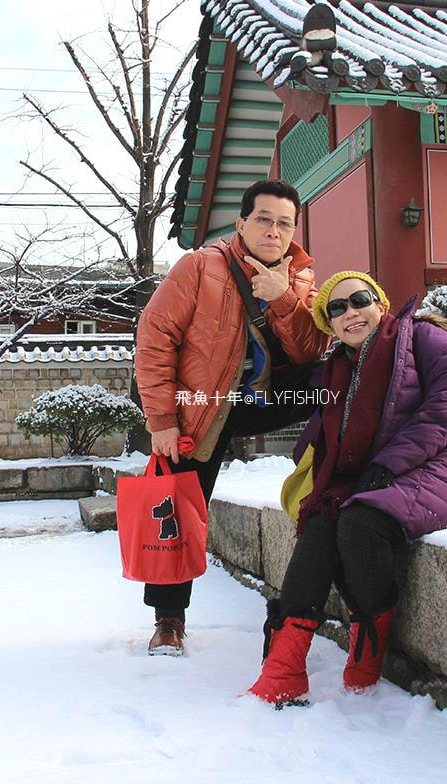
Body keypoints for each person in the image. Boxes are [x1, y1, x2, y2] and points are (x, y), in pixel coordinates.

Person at [246, 271, 447, 704]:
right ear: (329, 324)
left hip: (437, 468)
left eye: (359, 300)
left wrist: (389, 465)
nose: (350, 313)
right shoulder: (335, 370)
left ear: (380, 303)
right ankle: (282, 671)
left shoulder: (424, 339)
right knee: (319, 525)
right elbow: (321, 429)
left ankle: (366, 658)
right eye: (337, 309)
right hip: (371, 477)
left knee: (358, 524)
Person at [134, 179, 332, 656]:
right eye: (263, 219)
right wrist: (162, 420)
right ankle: (169, 619)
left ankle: (338, 467)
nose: (273, 231)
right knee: (180, 507)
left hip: (257, 399)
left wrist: (283, 297)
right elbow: (155, 336)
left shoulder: (301, 277)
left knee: (331, 377)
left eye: (284, 223)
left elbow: (309, 350)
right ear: (242, 223)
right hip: (201, 408)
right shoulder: (200, 267)